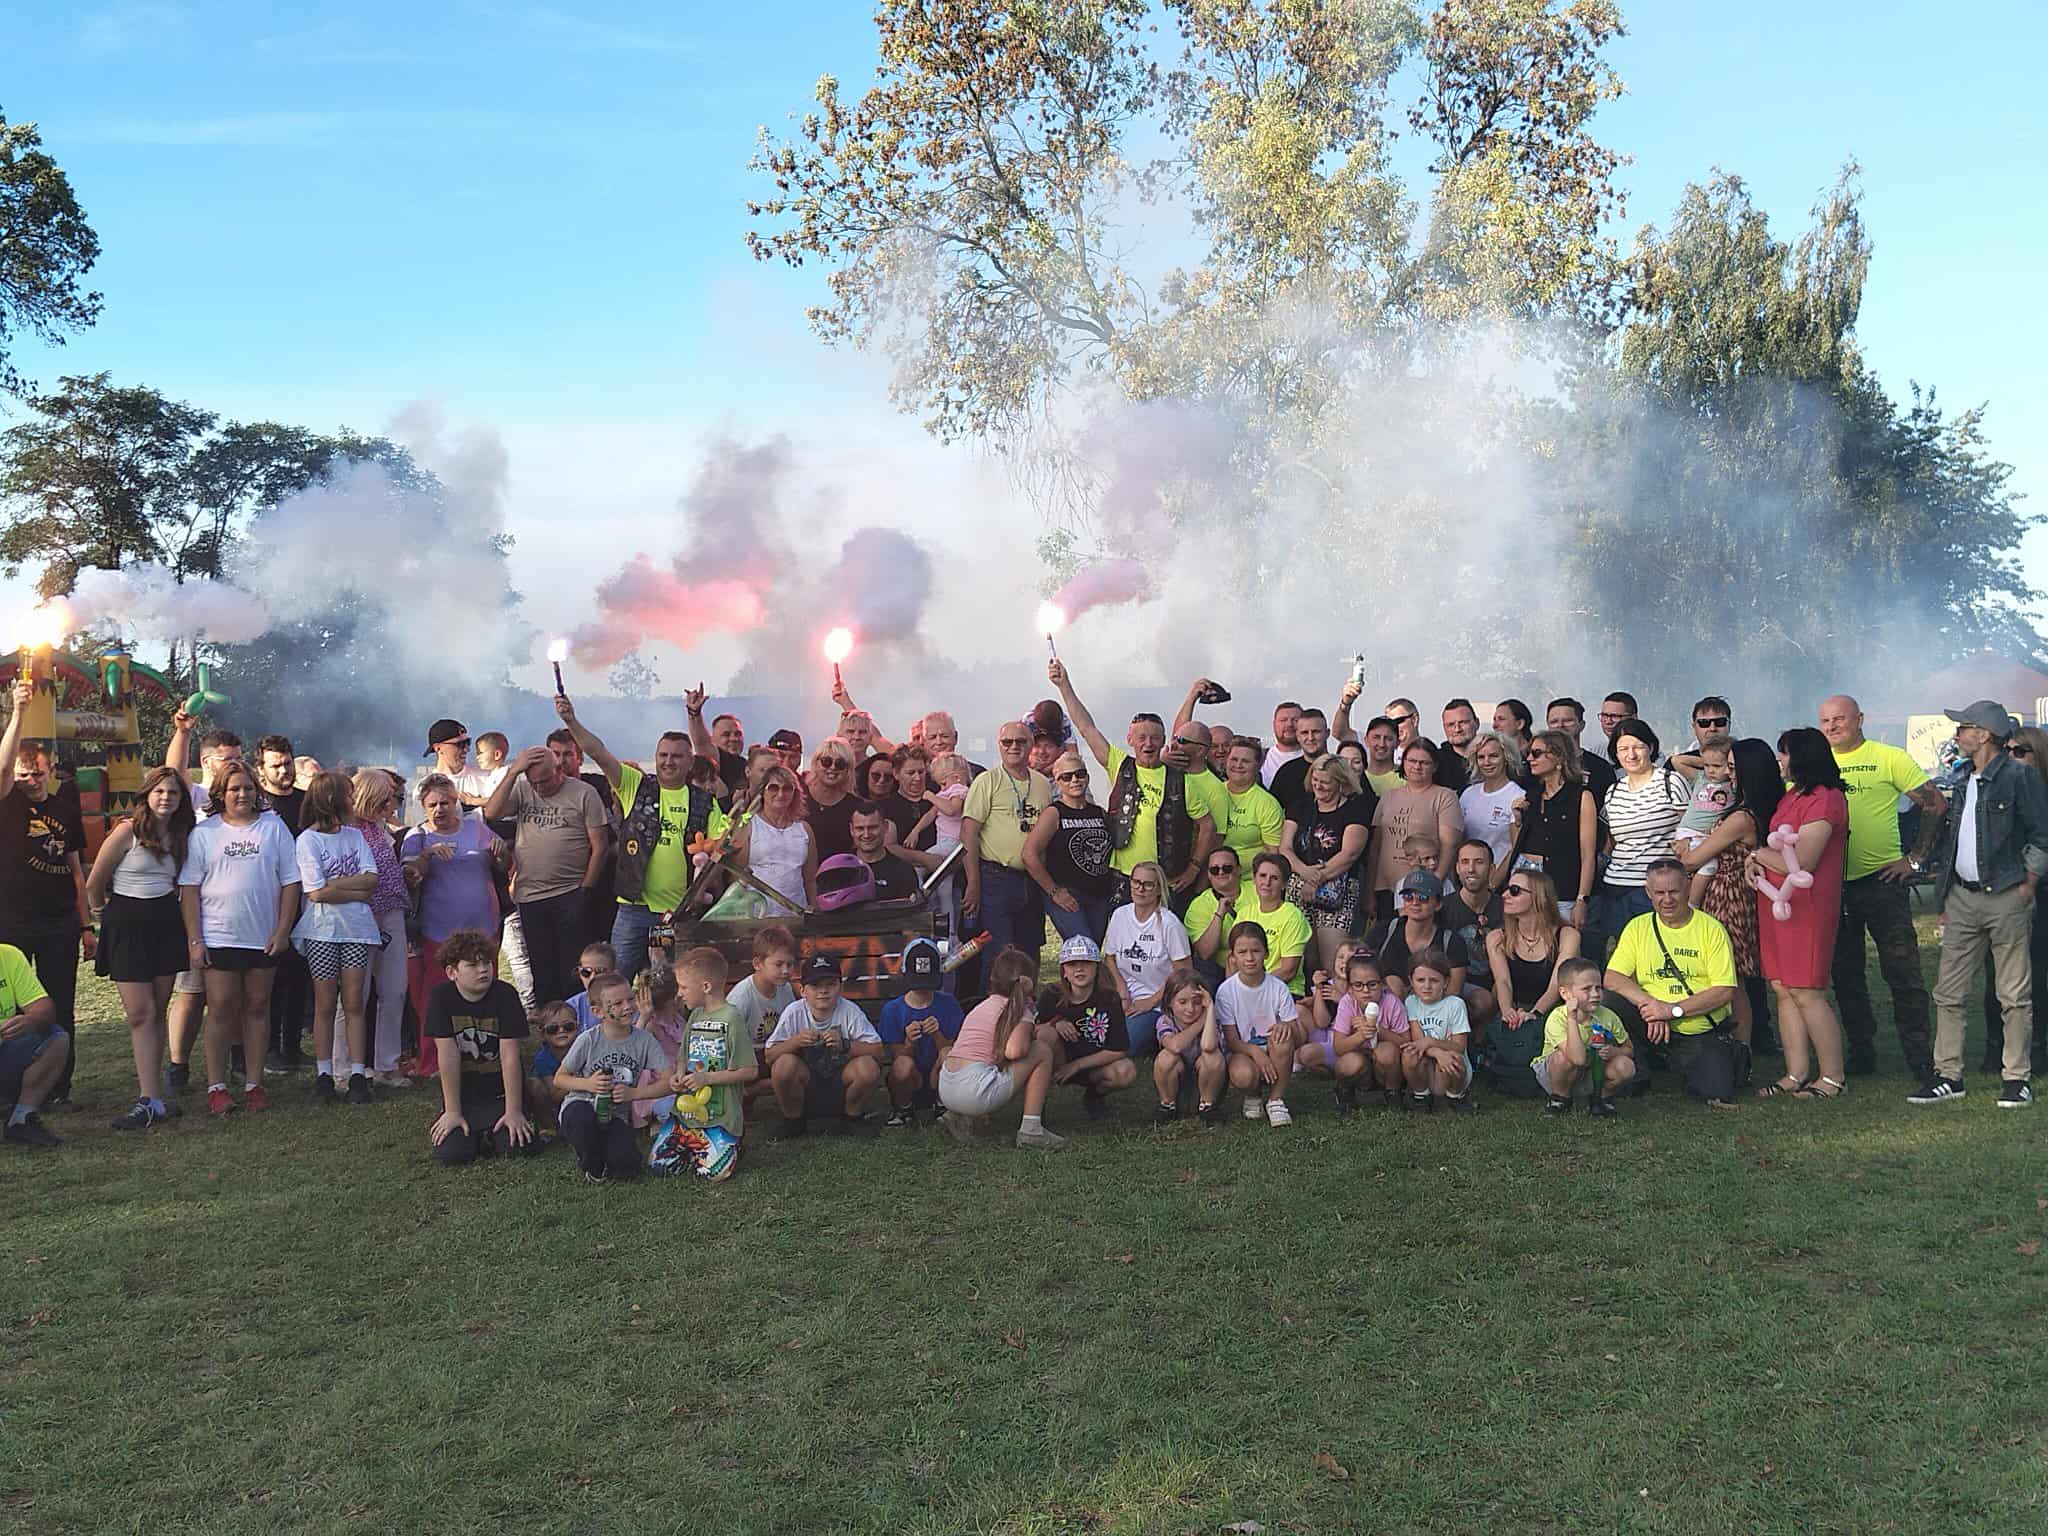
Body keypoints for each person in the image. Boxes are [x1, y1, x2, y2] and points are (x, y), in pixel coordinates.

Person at [1913, 701, 2048, 1109]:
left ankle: (2016, 1077)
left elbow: (2042, 834)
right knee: (1948, 991)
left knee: (2013, 993)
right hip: (1963, 896)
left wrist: (2028, 883)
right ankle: (1948, 1074)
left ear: (1984, 734)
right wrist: (1947, 892)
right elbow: (1955, 838)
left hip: (2006, 894)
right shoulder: (1963, 777)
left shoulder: (2019, 776)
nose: (1957, 734)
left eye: (1964, 728)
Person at [1821, 694, 1945, 1081]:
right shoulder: (1817, 764)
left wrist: (1915, 859)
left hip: (1883, 883)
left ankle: (1920, 1058)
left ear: (1860, 719)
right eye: (1825, 721)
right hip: (1833, 887)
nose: (1832, 726)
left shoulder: (1889, 757)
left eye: (1839, 719)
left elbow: (1935, 804)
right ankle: (1862, 1054)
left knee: (1903, 973)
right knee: (1846, 976)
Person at [553, 699, 719, 980]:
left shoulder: (705, 802)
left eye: (677, 756)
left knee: (662, 980)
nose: (668, 761)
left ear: (690, 761)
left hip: (672, 914)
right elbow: (598, 752)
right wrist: (571, 721)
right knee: (614, 979)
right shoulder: (635, 785)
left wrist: (699, 892)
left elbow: (720, 852)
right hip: (633, 910)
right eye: (663, 755)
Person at [178, 761, 301, 1117]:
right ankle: (216, 1087)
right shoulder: (204, 833)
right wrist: (195, 940)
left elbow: (291, 882)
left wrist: (283, 930)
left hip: (262, 936)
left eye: (248, 788)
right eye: (234, 789)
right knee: (220, 1008)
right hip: (219, 935)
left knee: (258, 1007)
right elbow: (189, 889)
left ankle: (254, 1083)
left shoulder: (273, 827)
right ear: (221, 793)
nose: (242, 794)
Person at [1051, 660, 1215, 905]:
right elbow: (1086, 728)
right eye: (1141, 737)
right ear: (1130, 740)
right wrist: (1064, 685)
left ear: (1163, 741)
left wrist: (1194, 868)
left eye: (1155, 738)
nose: (1148, 744)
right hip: (1123, 879)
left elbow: (1207, 825)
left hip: (1165, 881)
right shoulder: (1119, 765)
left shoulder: (1180, 781)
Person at [87, 765, 194, 1129]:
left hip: (166, 922)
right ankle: (146, 1099)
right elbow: (94, 883)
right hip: (126, 923)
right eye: (159, 791)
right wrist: (103, 917)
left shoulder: (182, 835)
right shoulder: (127, 831)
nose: (166, 798)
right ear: (146, 795)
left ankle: (154, 1099)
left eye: (173, 793)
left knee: (157, 1012)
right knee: (140, 1013)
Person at [1746, 728, 1851, 1100]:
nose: (1780, 760)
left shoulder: (1826, 799)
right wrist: (1757, 862)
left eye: (1785, 753)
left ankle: (1832, 1077)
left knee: (1806, 990)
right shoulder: (1793, 795)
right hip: (1777, 903)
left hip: (1808, 907)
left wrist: (1756, 854)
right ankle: (1795, 1073)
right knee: (1782, 987)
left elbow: (1803, 860)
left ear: (1803, 757)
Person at [0, 680, 90, 1105]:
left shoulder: (65, 809)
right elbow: (3, 770)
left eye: (39, 772)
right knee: (19, 1008)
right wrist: (18, 711)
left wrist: (86, 926)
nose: (32, 780)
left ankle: (59, 1086)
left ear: (52, 769)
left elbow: (76, 872)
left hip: (59, 924)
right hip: (12, 921)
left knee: (60, 1003)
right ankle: (16, 1083)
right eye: (25, 773)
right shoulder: (8, 802)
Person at [1602, 859, 1740, 1103]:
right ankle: (1638, 1071)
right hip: (1650, 1019)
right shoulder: (1638, 927)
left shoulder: (1711, 929)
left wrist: (1672, 1010)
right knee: (1607, 1001)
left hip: (1695, 1026)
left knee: (1715, 1091)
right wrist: (1651, 1005)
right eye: (1659, 893)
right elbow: (1612, 978)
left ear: (1688, 888)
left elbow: (1724, 990)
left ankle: (1680, 1063)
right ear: (1648, 893)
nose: (1667, 899)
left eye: (1674, 891)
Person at [484, 740, 611, 1005]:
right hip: (531, 895)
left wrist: (586, 889)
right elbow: (492, 812)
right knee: (541, 969)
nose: (539, 788)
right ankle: (549, 1020)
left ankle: (576, 1017)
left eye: (544, 781)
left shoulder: (583, 793)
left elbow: (600, 847)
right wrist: (513, 771)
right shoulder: (523, 789)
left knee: (572, 969)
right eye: (534, 783)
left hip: (570, 891)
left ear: (559, 770)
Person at [1676, 738, 1784, 1051]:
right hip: (1734, 892)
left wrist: (1683, 850)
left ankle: (1741, 1048)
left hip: (1728, 896)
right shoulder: (1756, 807)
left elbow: (1693, 860)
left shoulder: (1740, 818)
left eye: (1733, 768)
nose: (1728, 774)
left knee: (1731, 980)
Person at [401, 773, 507, 1077]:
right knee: (436, 997)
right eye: (432, 805)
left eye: (445, 803)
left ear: (455, 802)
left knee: (484, 990)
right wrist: (426, 855)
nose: (439, 810)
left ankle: (484, 1057)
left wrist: (502, 854)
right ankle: (431, 1061)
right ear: (423, 807)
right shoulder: (417, 836)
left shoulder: (476, 828)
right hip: (439, 932)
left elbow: (503, 865)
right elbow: (409, 875)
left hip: (483, 927)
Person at [290, 770, 383, 1106]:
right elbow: (315, 893)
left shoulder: (354, 836)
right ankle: (324, 1073)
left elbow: (371, 879)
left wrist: (335, 886)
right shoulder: (308, 840)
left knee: (355, 1001)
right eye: (348, 793)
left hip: (357, 930)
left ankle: (357, 1073)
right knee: (325, 1003)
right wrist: (353, 890)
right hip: (322, 932)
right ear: (332, 799)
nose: (353, 799)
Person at [423, 928, 542, 1165]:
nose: (483, 969)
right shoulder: (440, 998)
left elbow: (510, 1056)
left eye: (486, 962)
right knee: (452, 1155)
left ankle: (496, 1130)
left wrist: (513, 1111)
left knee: (518, 1147)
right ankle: (475, 1133)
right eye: (472, 965)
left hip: (501, 1092)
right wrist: (452, 1111)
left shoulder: (505, 995)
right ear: (452, 972)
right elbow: (447, 1055)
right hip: (466, 1095)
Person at [645, 946, 758, 1180]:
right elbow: (683, 1057)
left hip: (719, 1116)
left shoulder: (731, 1018)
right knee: (659, 1167)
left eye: (684, 987)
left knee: (711, 1174)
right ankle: (694, 1147)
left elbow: (749, 1071)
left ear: (706, 987)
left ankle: (729, 1144)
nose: (679, 994)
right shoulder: (695, 1016)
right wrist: (678, 1074)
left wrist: (707, 1078)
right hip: (685, 1115)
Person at [937, 945, 1064, 1148]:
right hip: (973, 1093)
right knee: (1041, 1050)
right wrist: (1030, 1036)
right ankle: (1031, 1130)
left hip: (947, 1090)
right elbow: (1015, 1051)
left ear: (993, 979)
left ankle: (959, 1117)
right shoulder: (1020, 1013)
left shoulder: (981, 1007)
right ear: (1029, 983)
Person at [553, 971, 671, 1181]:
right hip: (581, 1105)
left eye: (630, 999)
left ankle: (608, 1153)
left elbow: (669, 1082)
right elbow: (560, 1078)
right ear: (598, 1011)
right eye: (617, 1003)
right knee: (581, 1118)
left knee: (627, 1166)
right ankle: (592, 1166)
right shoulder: (589, 1039)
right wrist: (589, 1084)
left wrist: (634, 1094)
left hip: (615, 1116)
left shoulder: (644, 1041)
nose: (627, 1007)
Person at [961, 719, 1053, 968]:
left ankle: (1028, 995)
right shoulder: (987, 781)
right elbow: (968, 833)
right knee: (999, 956)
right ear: (999, 745)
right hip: (995, 879)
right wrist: (973, 882)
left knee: (1029, 953)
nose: (1014, 746)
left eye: (1020, 741)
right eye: (1007, 742)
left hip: (1032, 881)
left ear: (1031, 745)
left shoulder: (1042, 783)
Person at [1983, 725, 2048, 1077]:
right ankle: (1996, 1048)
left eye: (2021, 751)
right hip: (2002, 892)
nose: (2012, 757)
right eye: (2007, 751)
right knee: (1996, 974)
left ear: (2039, 756)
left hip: (2039, 892)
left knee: (2033, 974)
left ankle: (2035, 1049)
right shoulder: (1997, 791)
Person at [763, 956, 884, 1137]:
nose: (823, 991)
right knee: (783, 1065)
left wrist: (845, 1045)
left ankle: (852, 1118)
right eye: (815, 986)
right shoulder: (794, 1012)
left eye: (831, 984)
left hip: (841, 1086)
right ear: (802, 990)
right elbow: (769, 1056)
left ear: (840, 987)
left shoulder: (850, 1011)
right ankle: (793, 1121)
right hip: (805, 1087)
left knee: (868, 1067)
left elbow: (878, 1051)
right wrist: (795, 1042)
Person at [1484, 869, 1580, 1090]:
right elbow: (1503, 982)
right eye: (1506, 889)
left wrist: (1535, 1014)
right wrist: (1508, 1012)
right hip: (1516, 1005)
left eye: (1514, 890)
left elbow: (1556, 986)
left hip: (1554, 1008)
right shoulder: (1497, 937)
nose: (1505, 895)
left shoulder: (1567, 935)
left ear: (1538, 896)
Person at [1279, 753, 1373, 975]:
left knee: (1333, 962)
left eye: (1325, 782)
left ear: (1341, 783)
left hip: (1337, 888)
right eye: (1315, 780)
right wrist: (1304, 872)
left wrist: (1316, 880)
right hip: (1299, 884)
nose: (1318, 786)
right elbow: (1285, 848)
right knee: (1305, 959)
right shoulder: (1300, 807)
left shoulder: (1355, 810)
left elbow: (1349, 854)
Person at [1599, 720, 1690, 943]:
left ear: (1650, 747)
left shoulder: (1671, 781)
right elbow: (1612, 840)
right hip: (1616, 887)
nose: (1631, 754)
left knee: (1658, 948)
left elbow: (1690, 831)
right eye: (1623, 749)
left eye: (1638, 747)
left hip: (1656, 889)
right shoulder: (1613, 791)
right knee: (1621, 951)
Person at [252, 732, 310, 1073]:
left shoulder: (306, 801)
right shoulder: (258, 806)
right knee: (271, 979)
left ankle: (292, 1045)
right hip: (267, 900)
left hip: (305, 899)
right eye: (276, 766)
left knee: (299, 976)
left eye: (287, 763)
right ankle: (270, 1047)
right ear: (262, 768)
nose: (284, 771)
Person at [1021, 749, 1114, 943]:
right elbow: (1029, 854)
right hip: (1068, 894)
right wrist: (1053, 891)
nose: (1074, 780)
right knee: (1082, 946)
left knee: (1093, 950)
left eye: (1080, 774)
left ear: (1087, 777)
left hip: (1099, 895)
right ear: (1057, 782)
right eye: (1066, 777)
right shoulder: (1054, 813)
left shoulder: (1099, 812)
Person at [1040, 935, 1138, 1117]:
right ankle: (1037, 1106)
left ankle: (1094, 1096)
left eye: (1086, 963)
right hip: (1057, 1061)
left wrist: (1077, 1065)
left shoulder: (1110, 998)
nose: (1079, 969)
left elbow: (1119, 1049)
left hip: (1093, 1064)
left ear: (1097, 967)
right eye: (1072, 964)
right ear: (1063, 971)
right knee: (1046, 1033)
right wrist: (1055, 1023)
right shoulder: (1051, 995)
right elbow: (1034, 1032)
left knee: (1126, 1071)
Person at [1101, 860, 1193, 1053]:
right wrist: (1122, 990)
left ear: (1159, 889)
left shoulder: (1169, 924)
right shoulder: (1119, 915)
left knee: (1125, 1043)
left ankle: (1159, 1033)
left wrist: (1150, 1001)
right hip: (1124, 995)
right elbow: (1110, 957)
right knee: (1096, 1030)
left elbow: (1184, 972)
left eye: (1148, 884)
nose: (1140, 889)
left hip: (1158, 1002)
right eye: (1136, 882)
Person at [1216, 922, 1301, 1126]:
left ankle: (1276, 1099)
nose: (1249, 958)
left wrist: (1286, 1027)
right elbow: (1231, 1040)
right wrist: (1255, 1052)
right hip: (1243, 1052)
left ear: (1266, 953)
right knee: (1243, 1075)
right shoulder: (1226, 991)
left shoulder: (1278, 988)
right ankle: (1253, 1094)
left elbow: (1298, 1036)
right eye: (1242, 952)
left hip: (1274, 1050)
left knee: (1283, 1040)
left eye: (1255, 951)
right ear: (1233, 957)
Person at [1367, 738, 1462, 920]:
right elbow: (1375, 848)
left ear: (1434, 766)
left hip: (1423, 891)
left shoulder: (1445, 797)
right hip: (1386, 889)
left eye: (1424, 762)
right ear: (1403, 762)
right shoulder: (1388, 797)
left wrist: (1435, 883)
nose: (1417, 767)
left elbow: (1450, 845)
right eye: (1412, 761)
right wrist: (1369, 891)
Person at [1508, 730, 1596, 923]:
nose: (1530, 759)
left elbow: (1588, 855)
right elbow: (1516, 846)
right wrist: (1518, 820)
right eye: (1529, 753)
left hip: (1561, 882)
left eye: (1537, 753)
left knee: (1560, 936)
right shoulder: (1530, 796)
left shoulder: (1581, 797)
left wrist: (1582, 899)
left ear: (1559, 757)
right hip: (1523, 875)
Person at [876, 938, 963, 1126]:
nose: (923, 989)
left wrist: (937, 1035)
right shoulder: (892, 1010)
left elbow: (955, 1051)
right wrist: (909, 1042)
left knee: (948, 1053)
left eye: (927, 983)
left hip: (939, 1076)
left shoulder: (949, 1004)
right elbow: (896, 1057)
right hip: (910, 1079)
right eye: (918, 983)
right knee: (903, 1064)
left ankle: (943, 1103)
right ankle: (904, 1108)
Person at [1535, 957, 1634, 1115]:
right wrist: (1572, 1018)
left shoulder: (1608, 1016)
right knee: (1562, 1058)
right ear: (1565, 993)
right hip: (1557, 1073)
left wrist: (1615, 1052)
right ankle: (1560, 1099)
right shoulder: (1557, 1018)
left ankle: (1600, 1098)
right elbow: (1578, 1059)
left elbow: (1629, 1049)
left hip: (1590, 1069)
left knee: (1625, 1066)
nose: (1595, 994)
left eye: (1598, 988)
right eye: (1586, 989)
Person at [0, 939, 67, 1147]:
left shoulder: (8, 955)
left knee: (56, 1038)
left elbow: (44, 1008)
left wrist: (30, 1021)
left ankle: (21, 1119)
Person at [1364, 869, 1470, 1001]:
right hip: (1387, 1007)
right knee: (1393, 983)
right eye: (1408, 897)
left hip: (1436, 1007)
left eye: (1423, 897)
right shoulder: (1383, 931)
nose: (1415, 902)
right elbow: (1362, 969)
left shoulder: (1452, 941)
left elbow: (1452, 994)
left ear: (1438, 904)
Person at [728, 765, 815, 915]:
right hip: (756, 915)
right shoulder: (748, 825)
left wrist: (814, 907)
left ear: (794, 793)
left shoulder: (805, 829)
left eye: (787, 788)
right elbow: (736, 877)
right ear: (763, 791)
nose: (780, 794)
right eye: (774, 788)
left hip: (796, 915)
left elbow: (810, 879)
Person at [1227, 851, 1314, 996]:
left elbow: (1288, 970)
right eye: (1262, 876)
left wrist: (1254, 989)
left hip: (1284, 992)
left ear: (1284, 884)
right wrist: (1233, 993)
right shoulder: (1244, 913)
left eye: (1274, 878)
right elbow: (1232, 960)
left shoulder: (1292, 915)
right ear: (1254, 878)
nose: (1267, 883)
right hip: (1247, 991)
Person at [1398, 949, 1474, 1109]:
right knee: (1409, 1054)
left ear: (1445, 982)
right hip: (1427, 1066)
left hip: (1448, 1066)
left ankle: (1455, 1096)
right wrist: (1437, 1052)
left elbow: (1459, 1046)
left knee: (1454, 1058)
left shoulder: (1455, 1004)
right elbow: (1418, 1042)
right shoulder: (1411, 1002)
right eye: (1420, 980)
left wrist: (1431, 1042)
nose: (1427, 986)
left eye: (1434, 980)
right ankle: (1421, 1096)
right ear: (1411, 981)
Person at [1441, 838, 1503, 1034]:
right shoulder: (1443, 908)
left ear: (1492, 869)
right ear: (1457, 868)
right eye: (1465, 862)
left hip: (1498, 980)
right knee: (1482, 1001)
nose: (1471, 869)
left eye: (1479, 862)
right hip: (1454, 982)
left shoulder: (1506, 908)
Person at [1151, 969, 1226, 1125]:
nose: (1190, 1009)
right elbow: (1175, 1046)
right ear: (1170, 1002)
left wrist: (1210, 1010)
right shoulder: (1165, 1021)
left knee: (1213, 1057)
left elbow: (1209, 1046)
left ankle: (1208, 1107)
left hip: (1206, 1082)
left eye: (1197, 1002)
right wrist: (1200, 1022)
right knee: (1166, 1057)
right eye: (1182, 1002)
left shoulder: (1212, 1020)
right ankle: (1168, 1105)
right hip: (1178, 1083)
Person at [726, 926, 797, 1087]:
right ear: (758, 964)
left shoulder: (786, 989)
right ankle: (753, 1091)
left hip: (775, 1050)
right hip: (747, 1057)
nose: (786, 971)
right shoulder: (742, 997)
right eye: (778, 964)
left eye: (790, 964)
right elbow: (728, 1040)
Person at [1457, 731, 1525, 868]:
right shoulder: (1468, 794)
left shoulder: (1517, 795)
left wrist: (1495, 878)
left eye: (1494, 756)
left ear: (1506, 758)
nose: (1487, 762)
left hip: (1502, 873)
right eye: (1481, 757)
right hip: (1470, 874)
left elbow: (1516, 849)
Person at [1215, 737, 1285, 869]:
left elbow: (1273, 855)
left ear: (1258, 766)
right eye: (1234, 759)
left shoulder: (1268, 804)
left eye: (1245, 761)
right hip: (1212, 873)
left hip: (1250, 877)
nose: (1238, 765)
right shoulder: (1213, 792)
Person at [1185, 846, 1247, 985]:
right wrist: (1219, 915)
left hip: (1261, 966)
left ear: (1238, 869)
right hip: (1218, 973)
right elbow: (1205, 953)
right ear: (1208, 874)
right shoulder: (1198, 905)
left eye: (1227, 868)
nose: (1221, 872)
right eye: (1214, 869)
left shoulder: (1257, 891)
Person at [408, 719, 488, 822]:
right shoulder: (423, 789)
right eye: (460, 744)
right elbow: (424, 828)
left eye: (467, 742)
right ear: (438, 748)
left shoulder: (486, 777)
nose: (466, 749)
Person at [1547, 697, 1616, 802]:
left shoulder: (1600, 767)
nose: (1560, 725)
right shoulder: (1537, 765)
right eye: (1554, 722)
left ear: (1581, 725)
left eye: (1568, 721)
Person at [803, 738, 861, 860]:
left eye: (840, 764)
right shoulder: (798, 795)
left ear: (848, 769)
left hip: (839, 868)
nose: (833, 767)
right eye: (826, 761)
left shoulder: (856, 806)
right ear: (816, 764)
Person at [848, 802, 919, 900]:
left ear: (885, 827)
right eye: (860, 828)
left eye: (873, 827)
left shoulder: (903, 871)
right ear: (851, 830)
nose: (866, 835)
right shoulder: (840, 868)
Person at [525, 1001, 577, 1128]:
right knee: (534, 1085)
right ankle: (550, 1127)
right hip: (552, 1099)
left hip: (579, 1095)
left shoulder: (584, 1048)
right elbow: (555, 1095)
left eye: (568, 1026)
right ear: (542, 1034)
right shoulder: (542, 1059)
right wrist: (582, 1081)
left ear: (577, 1027)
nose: (561, 1031)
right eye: (552, 1029)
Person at [1268, 708, 1331, 810]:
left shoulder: (1341, 769)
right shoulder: (1286, 772)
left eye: (1316, 732)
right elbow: (1272, 810)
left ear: (1327, 733)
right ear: (1298, 736)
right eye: (1304, 733)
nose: (1310, 738)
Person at [1434, 699, 1479, 794]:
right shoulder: (1435, 762)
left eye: (1463, 722)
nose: (1457, 729)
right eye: (1450, 725)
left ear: (1477, 723)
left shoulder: (1493, 757)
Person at [1262, 701, 1303, 786]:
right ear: (1274, 725)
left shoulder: (1314, 760)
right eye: (1283, 720)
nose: (1289, 724)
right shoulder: (1259, 758)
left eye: (1295, 720)